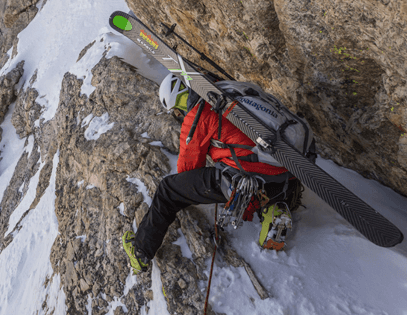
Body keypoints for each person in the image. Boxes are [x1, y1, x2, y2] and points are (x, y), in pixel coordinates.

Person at [122, 73, 302, 273]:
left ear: (178, 99)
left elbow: (187, 171)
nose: (179, 115)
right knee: (243, 166)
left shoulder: (198, 113)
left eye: (176, 111)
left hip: (249, 179)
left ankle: (140, 252)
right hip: (285, 172)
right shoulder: (229, 90)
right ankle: (273, 206)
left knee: (168, 190)